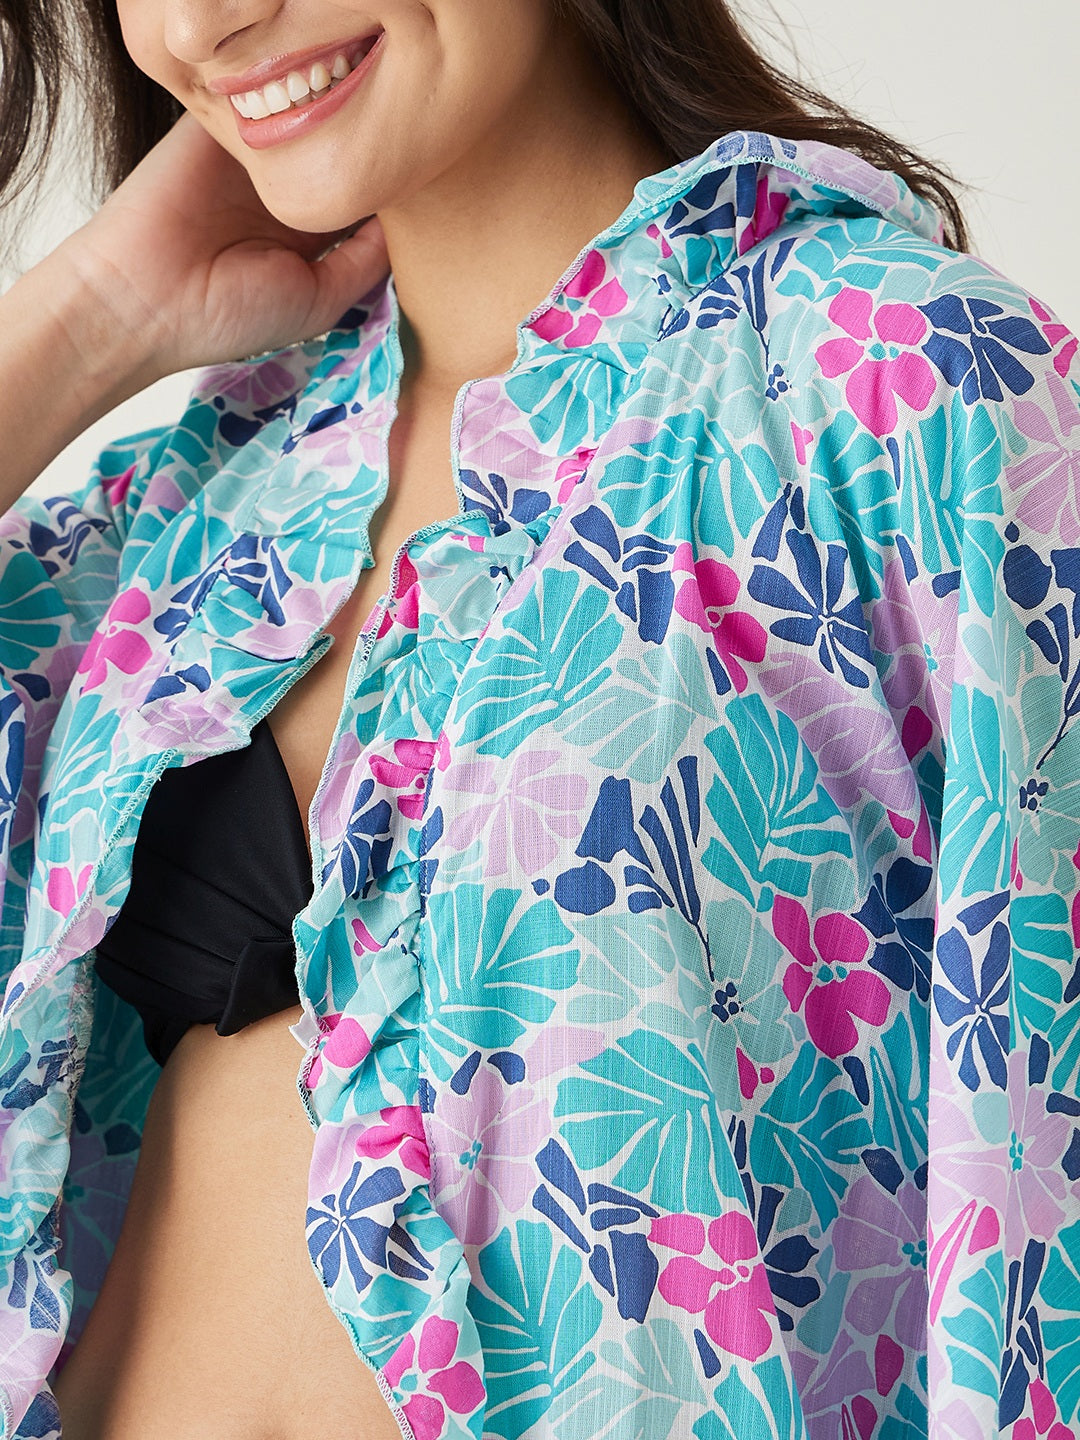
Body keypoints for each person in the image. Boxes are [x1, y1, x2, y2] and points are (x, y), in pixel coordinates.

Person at [0, 0, 1077, 1436]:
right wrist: (87, 319)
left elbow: (1045, 1178)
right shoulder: (188, 509)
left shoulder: (912, 386)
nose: (205, 18)